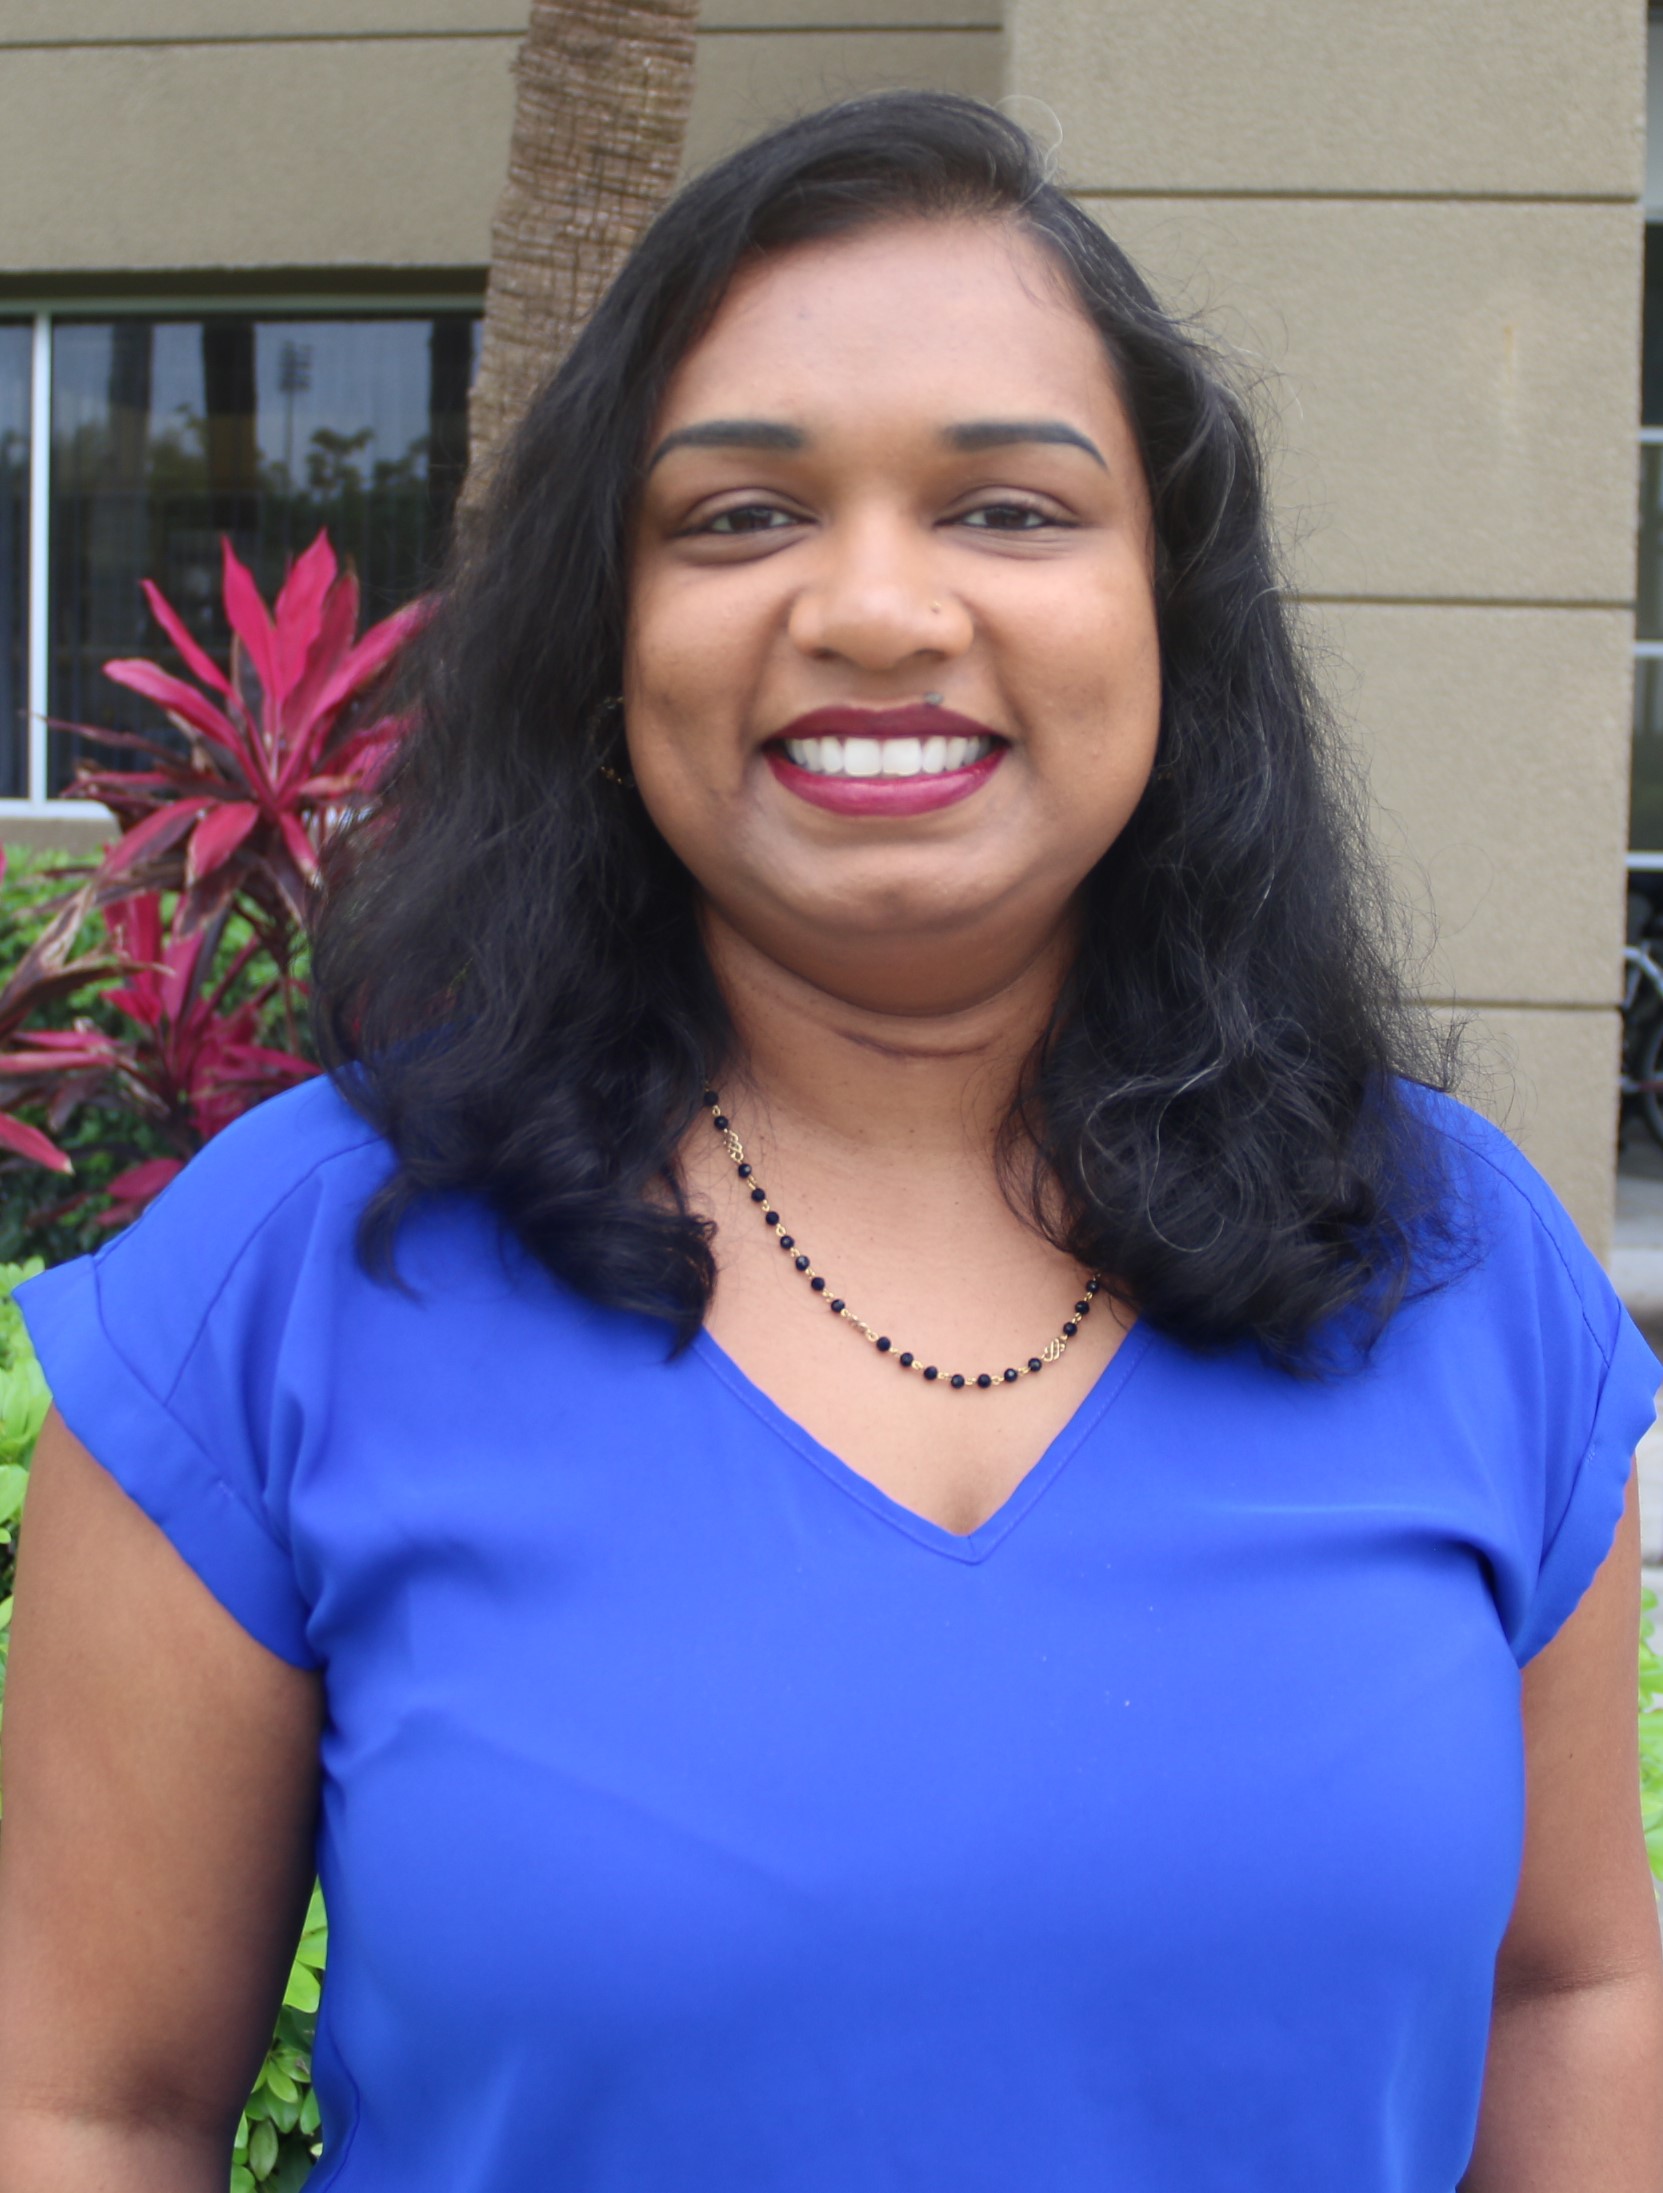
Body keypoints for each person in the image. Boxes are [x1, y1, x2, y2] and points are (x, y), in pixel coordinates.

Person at [0, 90, 1659, 2193]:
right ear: (605, 635)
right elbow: (85, 2101)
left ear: (1172, 608)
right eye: (740, 516)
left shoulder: (1451, 1258)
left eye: (1010, 509)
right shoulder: (295, 1283)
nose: (876, 607)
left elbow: (1570, 1987)